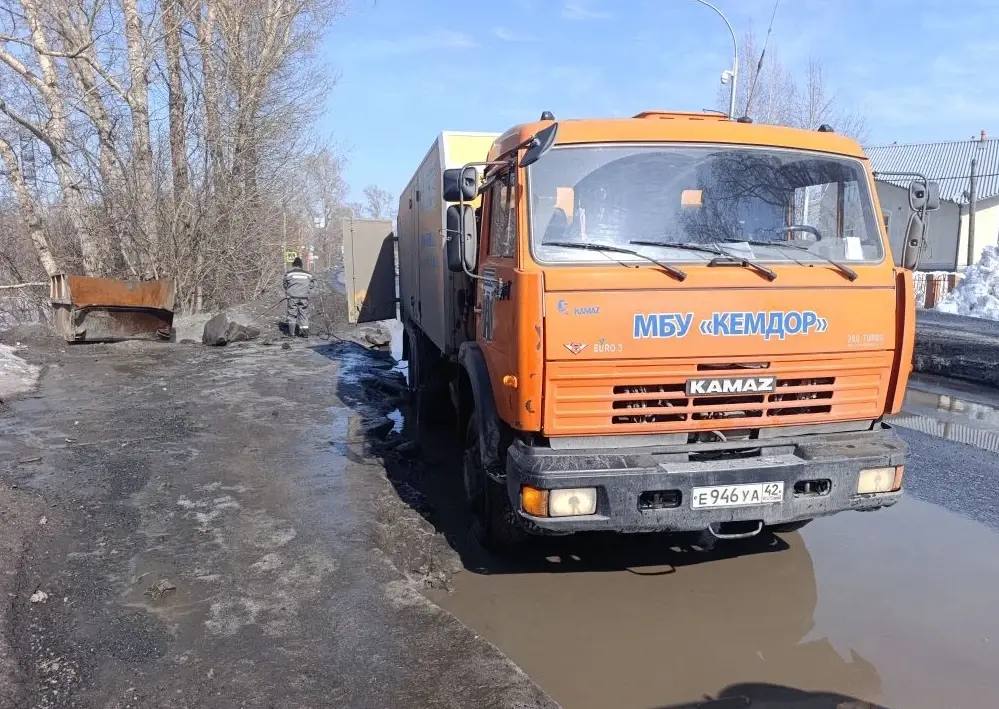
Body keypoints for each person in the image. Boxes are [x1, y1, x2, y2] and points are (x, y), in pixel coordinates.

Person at [283, 257, 314, 337]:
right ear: (301, 265)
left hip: (292, 297)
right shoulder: (308, 274)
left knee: (292, 315)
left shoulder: (289, 273)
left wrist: (289, 291)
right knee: (304, 314)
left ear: (294, 264)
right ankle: (305, 333)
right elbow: (311, 285)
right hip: (304, 297)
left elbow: (285, 284)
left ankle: (292, 333)